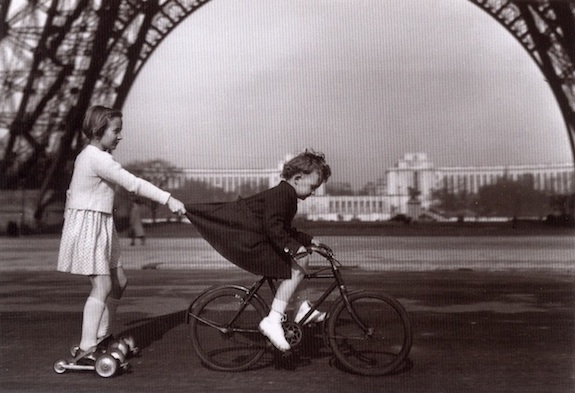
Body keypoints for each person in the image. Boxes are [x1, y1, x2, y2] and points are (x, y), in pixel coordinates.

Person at [57, 105, 186, 362]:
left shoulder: (91, 156)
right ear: (98, 130)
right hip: (89, 225)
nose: (120, 136)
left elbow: (73, 192)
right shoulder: (96, 158)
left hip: (101, 223)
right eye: (116, 131)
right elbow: (133, 184)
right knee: (102, 284)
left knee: (119, 282)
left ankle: (102, 336)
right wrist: (168, 199)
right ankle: (86, 346)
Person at [186, 149, 331, 351]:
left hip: (256, 239)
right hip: (251, 242)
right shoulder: (282, 195)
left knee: (300, 260)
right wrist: (295, 248)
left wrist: (310, 240)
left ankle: (299, 307)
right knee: (301, 260)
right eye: (313, 186)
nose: (314, 192)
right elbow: (274, 228)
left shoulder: (287, 195)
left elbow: (285, 229)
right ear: (298, 178)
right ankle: (274, 319)